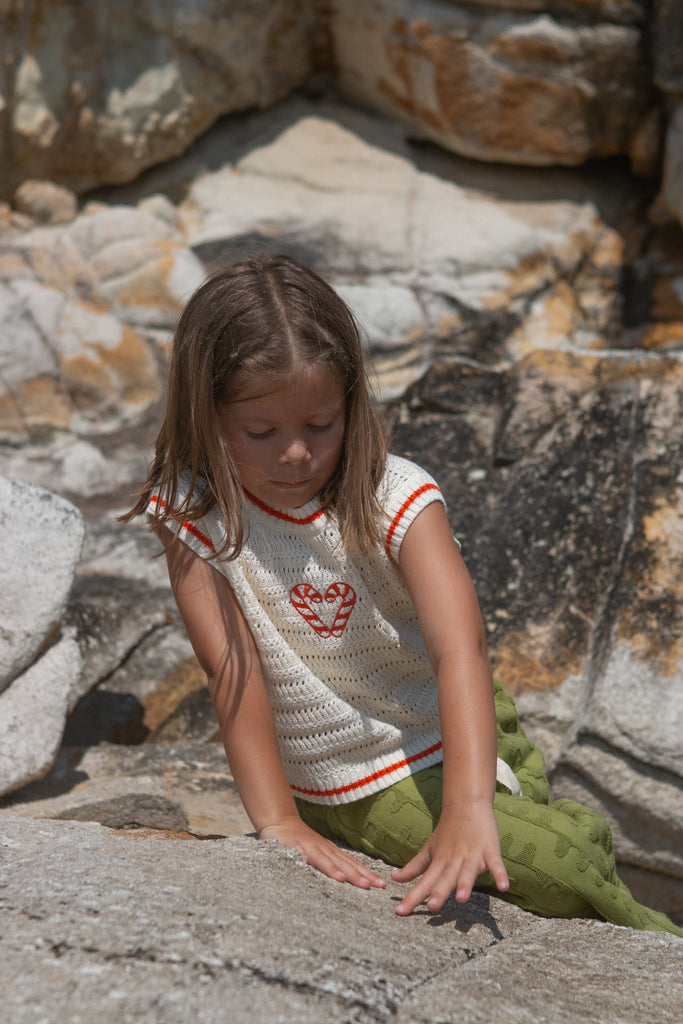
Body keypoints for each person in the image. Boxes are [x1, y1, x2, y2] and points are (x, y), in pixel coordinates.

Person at [125, 253, 681, 934]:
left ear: (352, 401)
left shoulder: (396, 495)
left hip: (462, 715)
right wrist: (277, 821)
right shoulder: (191, 514)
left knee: (510, 825)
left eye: (319, 425)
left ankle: (515, 810)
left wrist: (468, 804)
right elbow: (230, 668)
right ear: (202, 414)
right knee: (556, 871)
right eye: (260, 433)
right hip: (358, 772)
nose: (295, 454)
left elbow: (460, 649)